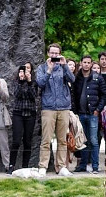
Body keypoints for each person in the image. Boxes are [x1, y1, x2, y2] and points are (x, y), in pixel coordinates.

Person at [36, 42, 76, 177]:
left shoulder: (63, 68)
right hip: (48, 108)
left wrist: (65, 65)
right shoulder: (42, 68)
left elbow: (72, 79)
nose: (54, 55)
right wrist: (48, 69)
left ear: (60, 54)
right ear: (48, 54)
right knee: (46, 139)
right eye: (52, 53)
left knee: (62, 139)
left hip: (64, 107)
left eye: (56, 53)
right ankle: (43, 166)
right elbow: (40, 83)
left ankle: (61, 166)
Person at [73, 54, 106, 174]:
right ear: (81, 63)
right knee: (82, 140)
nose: (86, 64)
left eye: (89, 62)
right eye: (84, 62)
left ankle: (95, 166)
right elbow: (74, 95)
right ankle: (82, 165)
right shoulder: (77, 78)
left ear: (91, 64)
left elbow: (104, 95)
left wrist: (98, 109)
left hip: (93, 113)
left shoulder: (97, 78)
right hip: (80, 113)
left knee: (93, 140)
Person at [9, 62, 37, 172]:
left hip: (30, 114)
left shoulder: (34, 82)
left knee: (28, 141)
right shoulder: (16, 81)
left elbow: (34, 96)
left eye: (28, 68)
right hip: (18, 113)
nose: (26, 71)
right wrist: (21, 81)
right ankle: (11, 165)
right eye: (24, 69)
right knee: (16, 141)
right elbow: (16, 95)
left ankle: (25, 166)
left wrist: (29, 82)